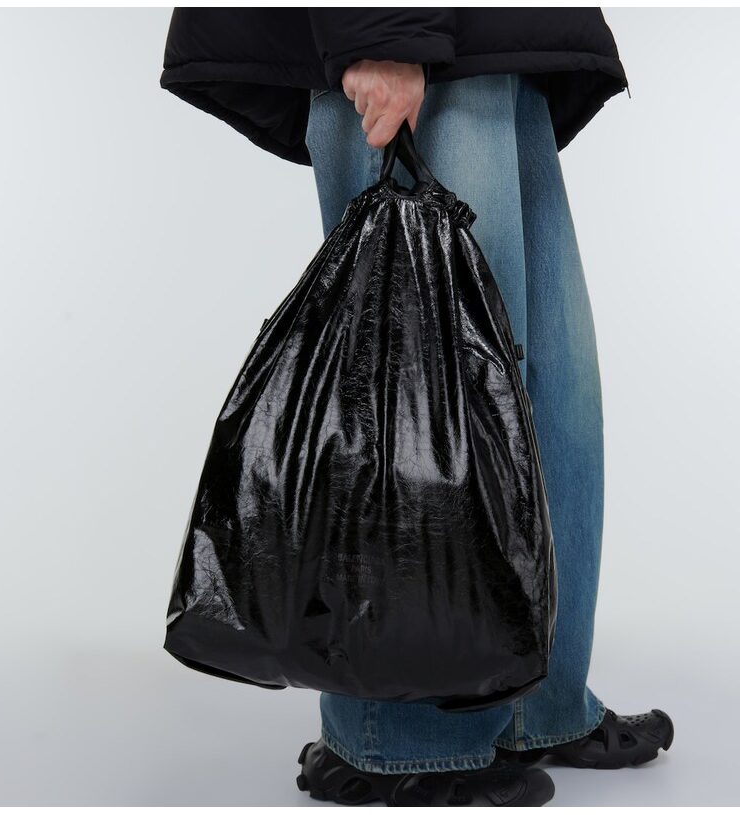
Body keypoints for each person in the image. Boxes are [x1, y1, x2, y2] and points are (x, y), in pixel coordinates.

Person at [160, 9, 674, 807]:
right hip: (411, 37)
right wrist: (378, 34)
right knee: (416, 405)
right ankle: (404, 740)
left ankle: (535, 703)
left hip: (499, 36)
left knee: (544, 389)